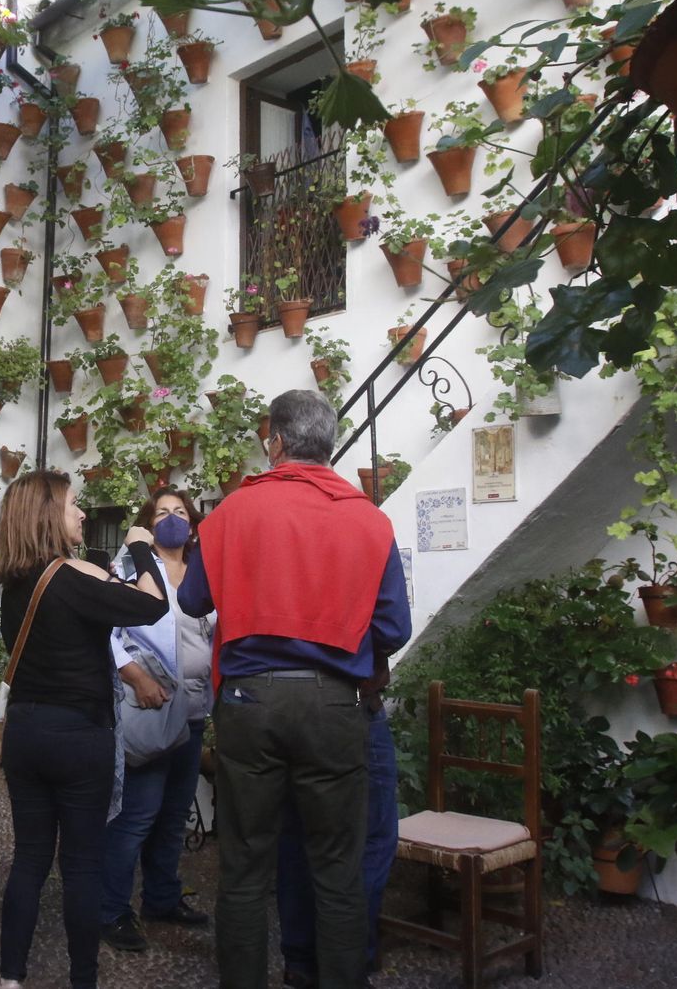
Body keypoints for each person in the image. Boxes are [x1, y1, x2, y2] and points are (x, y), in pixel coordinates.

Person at [178, 389, 411, 989]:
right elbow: (393, 629)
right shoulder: (370, 518)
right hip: (334, 703)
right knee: (337, 868)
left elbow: (192, 600)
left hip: (249, 703)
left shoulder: (231, 512)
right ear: (327, 445)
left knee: (246, 865)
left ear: (275, 441)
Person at [0, 470, 169, 989]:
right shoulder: (75, 575)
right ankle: (83, 980)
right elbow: (153, 604)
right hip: (78, 736)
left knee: (29, 859)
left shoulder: (15, 583)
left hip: (26, 732)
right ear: (48, 515)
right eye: (73, 506)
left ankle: (9, 978)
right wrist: (141, 549)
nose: (82, 514)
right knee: (84, 865)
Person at [101, 487, 217, 953]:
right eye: (162, 512)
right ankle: (110, 910)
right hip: (149, 707)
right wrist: (135, 677)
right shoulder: (131, 567)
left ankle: (163, 898)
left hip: (193, 712)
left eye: (180, 512)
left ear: (192, 524)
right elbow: (105, 631)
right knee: (137, 816)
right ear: (149, 524)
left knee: (174, 816)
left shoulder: (204, 571)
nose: (172, 519)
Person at [276, 657, 398, 988]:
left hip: (282, 702)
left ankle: (301, 961)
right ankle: (346, 961)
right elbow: (393, 626)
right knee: (371, 839)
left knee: (296, 839)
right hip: (351, 700)